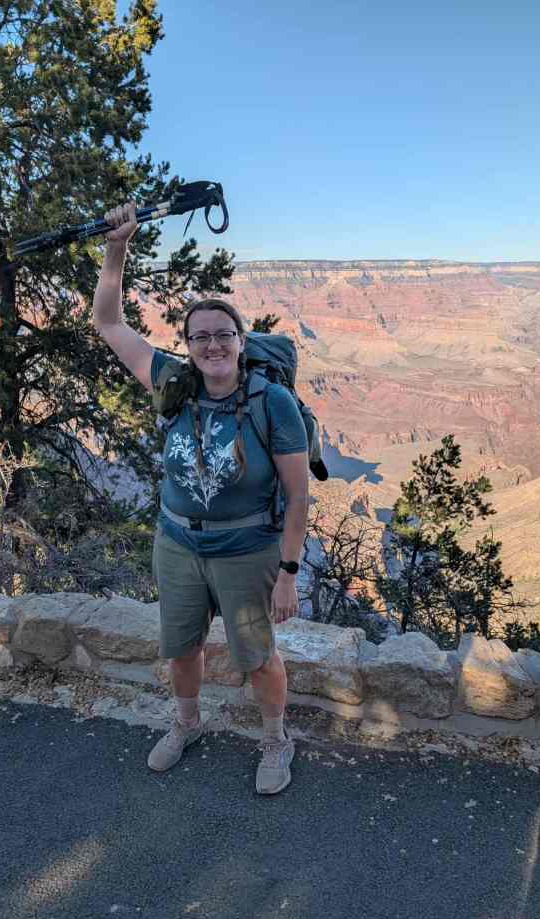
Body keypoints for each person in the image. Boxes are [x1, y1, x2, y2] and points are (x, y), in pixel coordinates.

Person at [92, 201, 310, 795]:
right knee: (182, 648)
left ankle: (275, 739)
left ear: (240, 341)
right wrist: (118, 248)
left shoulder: (273, 403)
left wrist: (288, 573)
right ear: (186, 344)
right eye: (200, 336)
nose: (212, 345)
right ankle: (186, 724)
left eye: (223, 335)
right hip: (179, 544)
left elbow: (298, 496)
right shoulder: (171, 382)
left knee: (258, 656)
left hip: (247, 550)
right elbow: (109, 325)